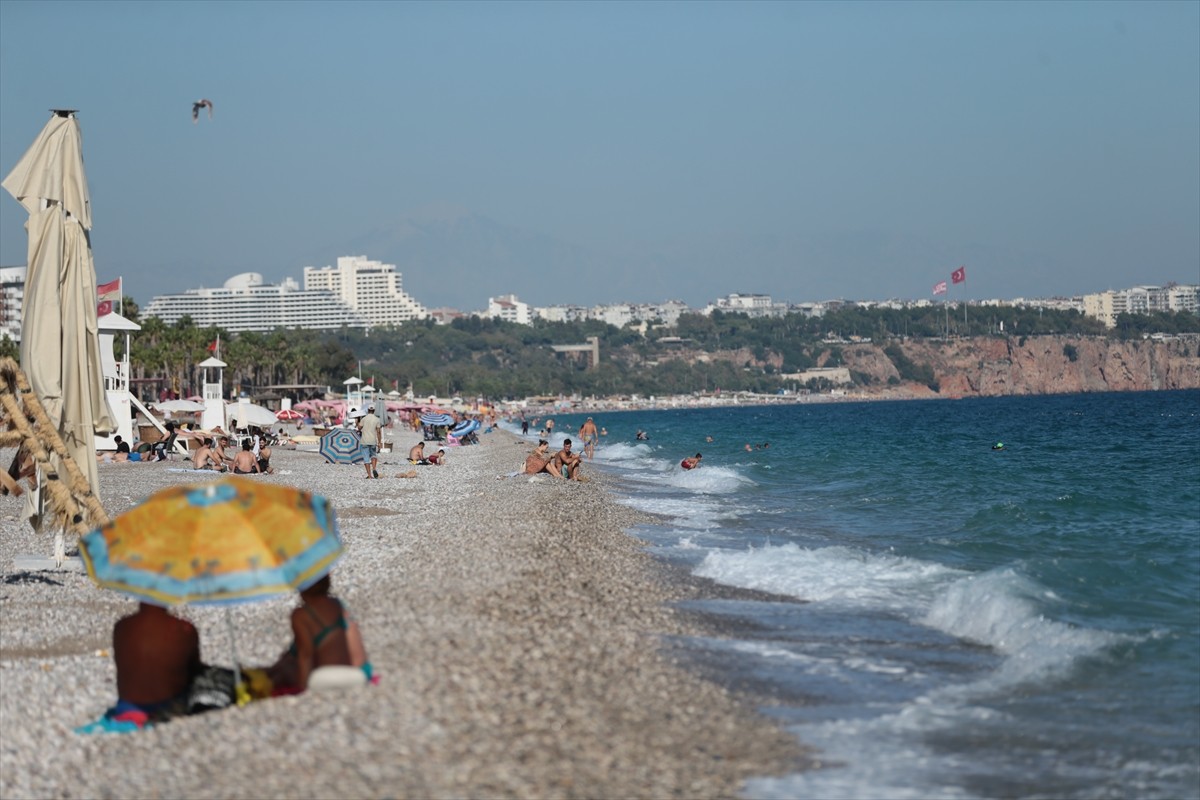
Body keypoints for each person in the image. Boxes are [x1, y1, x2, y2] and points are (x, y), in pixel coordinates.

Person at [266, 575, 372, 694]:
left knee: (283, 670)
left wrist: (302, 688)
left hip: (326, 677)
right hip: (360, 673)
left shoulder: (301, 615)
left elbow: (306, 655)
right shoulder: (337, 604)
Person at [108, 602, 203, 723]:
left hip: (127, 708)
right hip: (169, 707)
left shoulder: (121, 627)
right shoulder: (185, 629)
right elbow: (195, 671)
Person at [357, 408, 382, 479]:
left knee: (366, 459)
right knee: (373, 455)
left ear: (368, 410)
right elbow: (378, 432)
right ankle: (374, 468)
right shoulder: (377, 419)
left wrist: (358, 421)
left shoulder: (364, 419)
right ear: (374, 411)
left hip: (364, 441)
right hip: (373, 441)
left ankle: (370, 475)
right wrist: (379, 442)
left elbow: (359, 428)